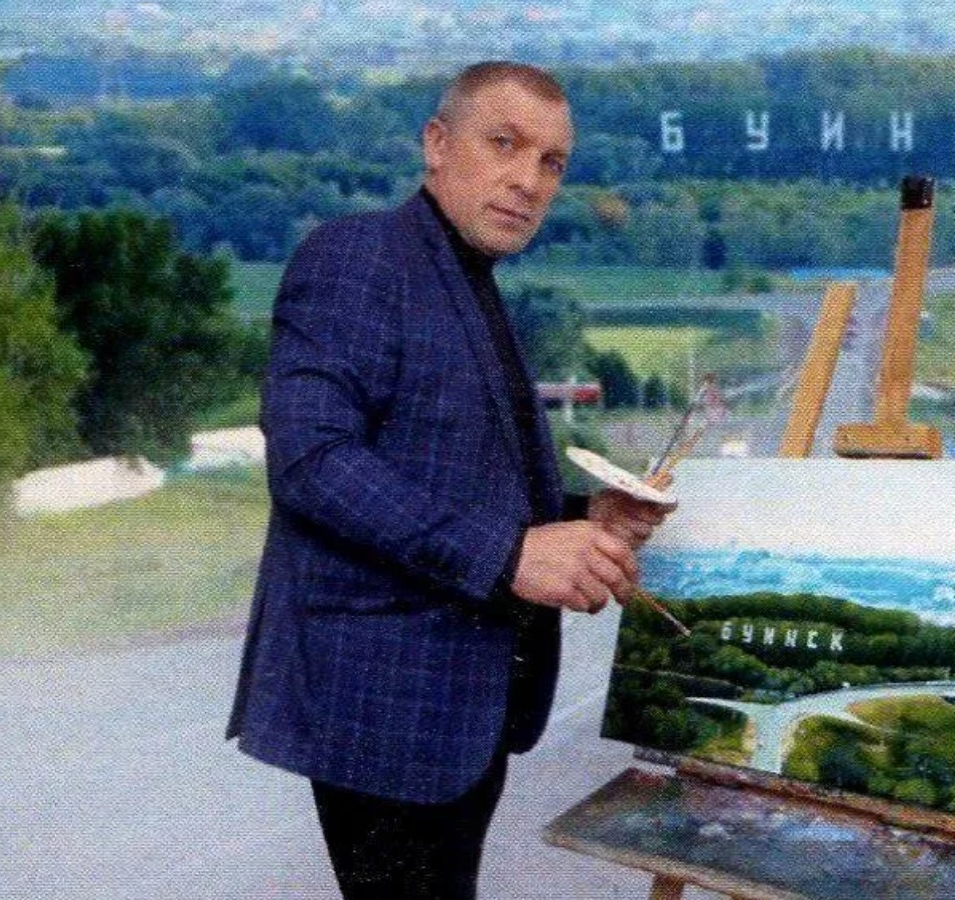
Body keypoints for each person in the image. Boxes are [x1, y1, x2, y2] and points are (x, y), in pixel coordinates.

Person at [226, 61, 671, 899]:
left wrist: (583, 514)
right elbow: (311, 460)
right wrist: (511, 555)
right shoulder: (359, 257)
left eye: (551, 162)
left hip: (460, 716)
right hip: (386, 714)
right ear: (436, 143)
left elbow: (449, 474)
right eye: (504, 144)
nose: (528, 181)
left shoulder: (466, 277)